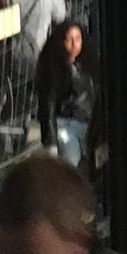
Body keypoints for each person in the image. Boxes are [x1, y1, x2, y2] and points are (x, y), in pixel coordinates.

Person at [36, 21, 96, 168]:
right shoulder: (52, 70)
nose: (75, 44)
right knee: (71, 164)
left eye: (78, 38)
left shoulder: (88, 65)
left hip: (87, 124)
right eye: (70, 39)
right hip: (65, 124)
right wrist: (51, 144)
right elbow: (48, 107)